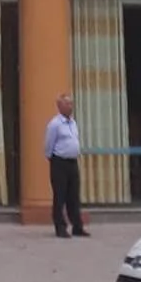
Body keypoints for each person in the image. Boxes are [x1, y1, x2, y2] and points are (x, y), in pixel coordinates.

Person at [44, 91, 88, 239]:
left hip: (72, 162)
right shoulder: (55, 124)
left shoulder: (73, 123)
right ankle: (60, 227)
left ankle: (77, 226)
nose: (70, 106)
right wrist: (53, 159)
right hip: (59, 162)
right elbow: (49, 145)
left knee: (73, 196)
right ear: (60, 106)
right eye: (67, 103)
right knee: (60, 196)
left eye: (71, 103)